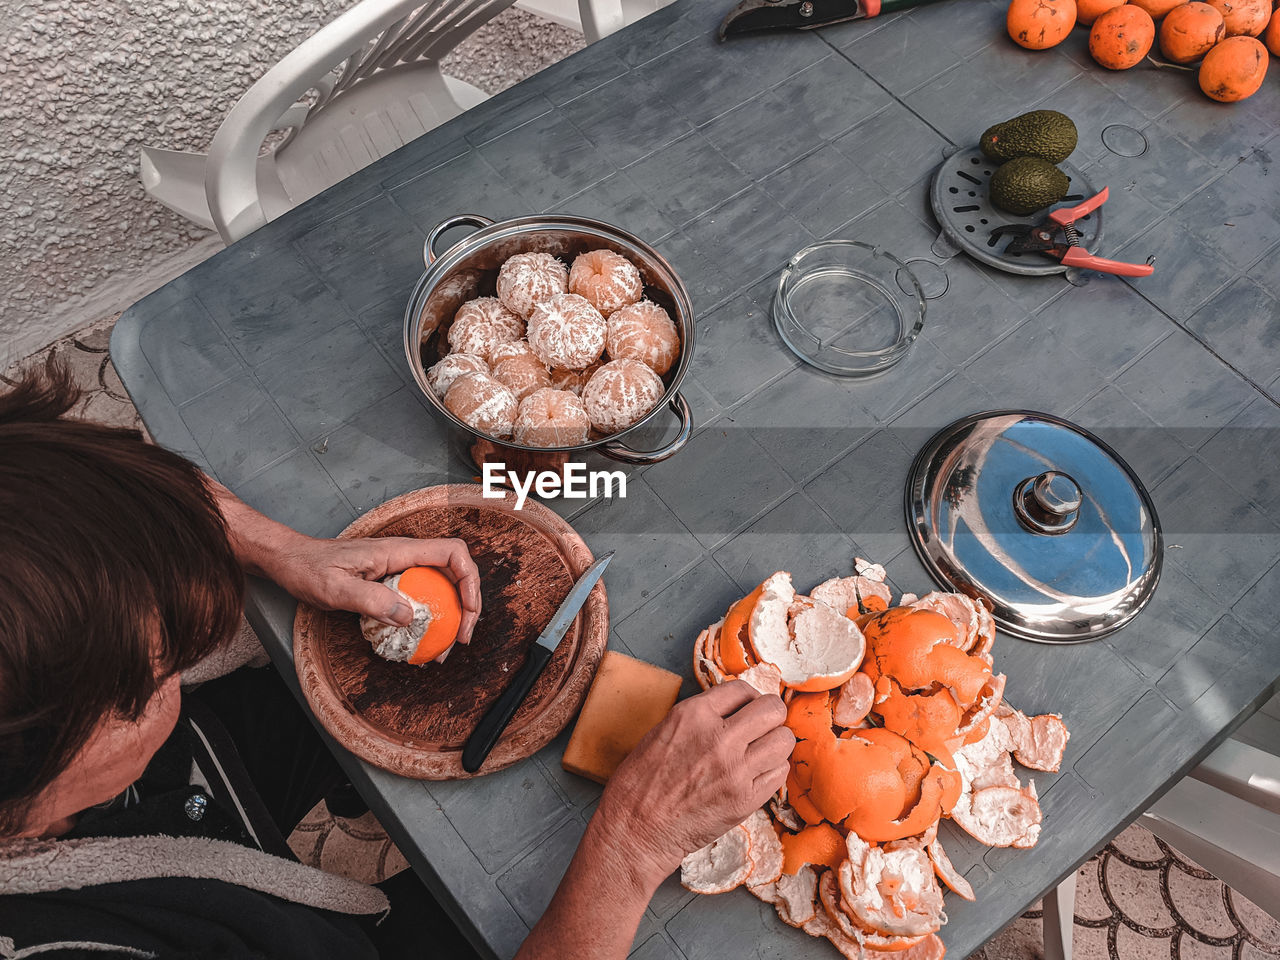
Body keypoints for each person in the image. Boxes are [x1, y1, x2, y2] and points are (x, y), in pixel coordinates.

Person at [0, 361, 795, 959]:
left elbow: (112, 485)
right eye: (157, 668)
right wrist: (632, 847)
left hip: (239, 773)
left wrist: (284, 549)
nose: (203, 639)